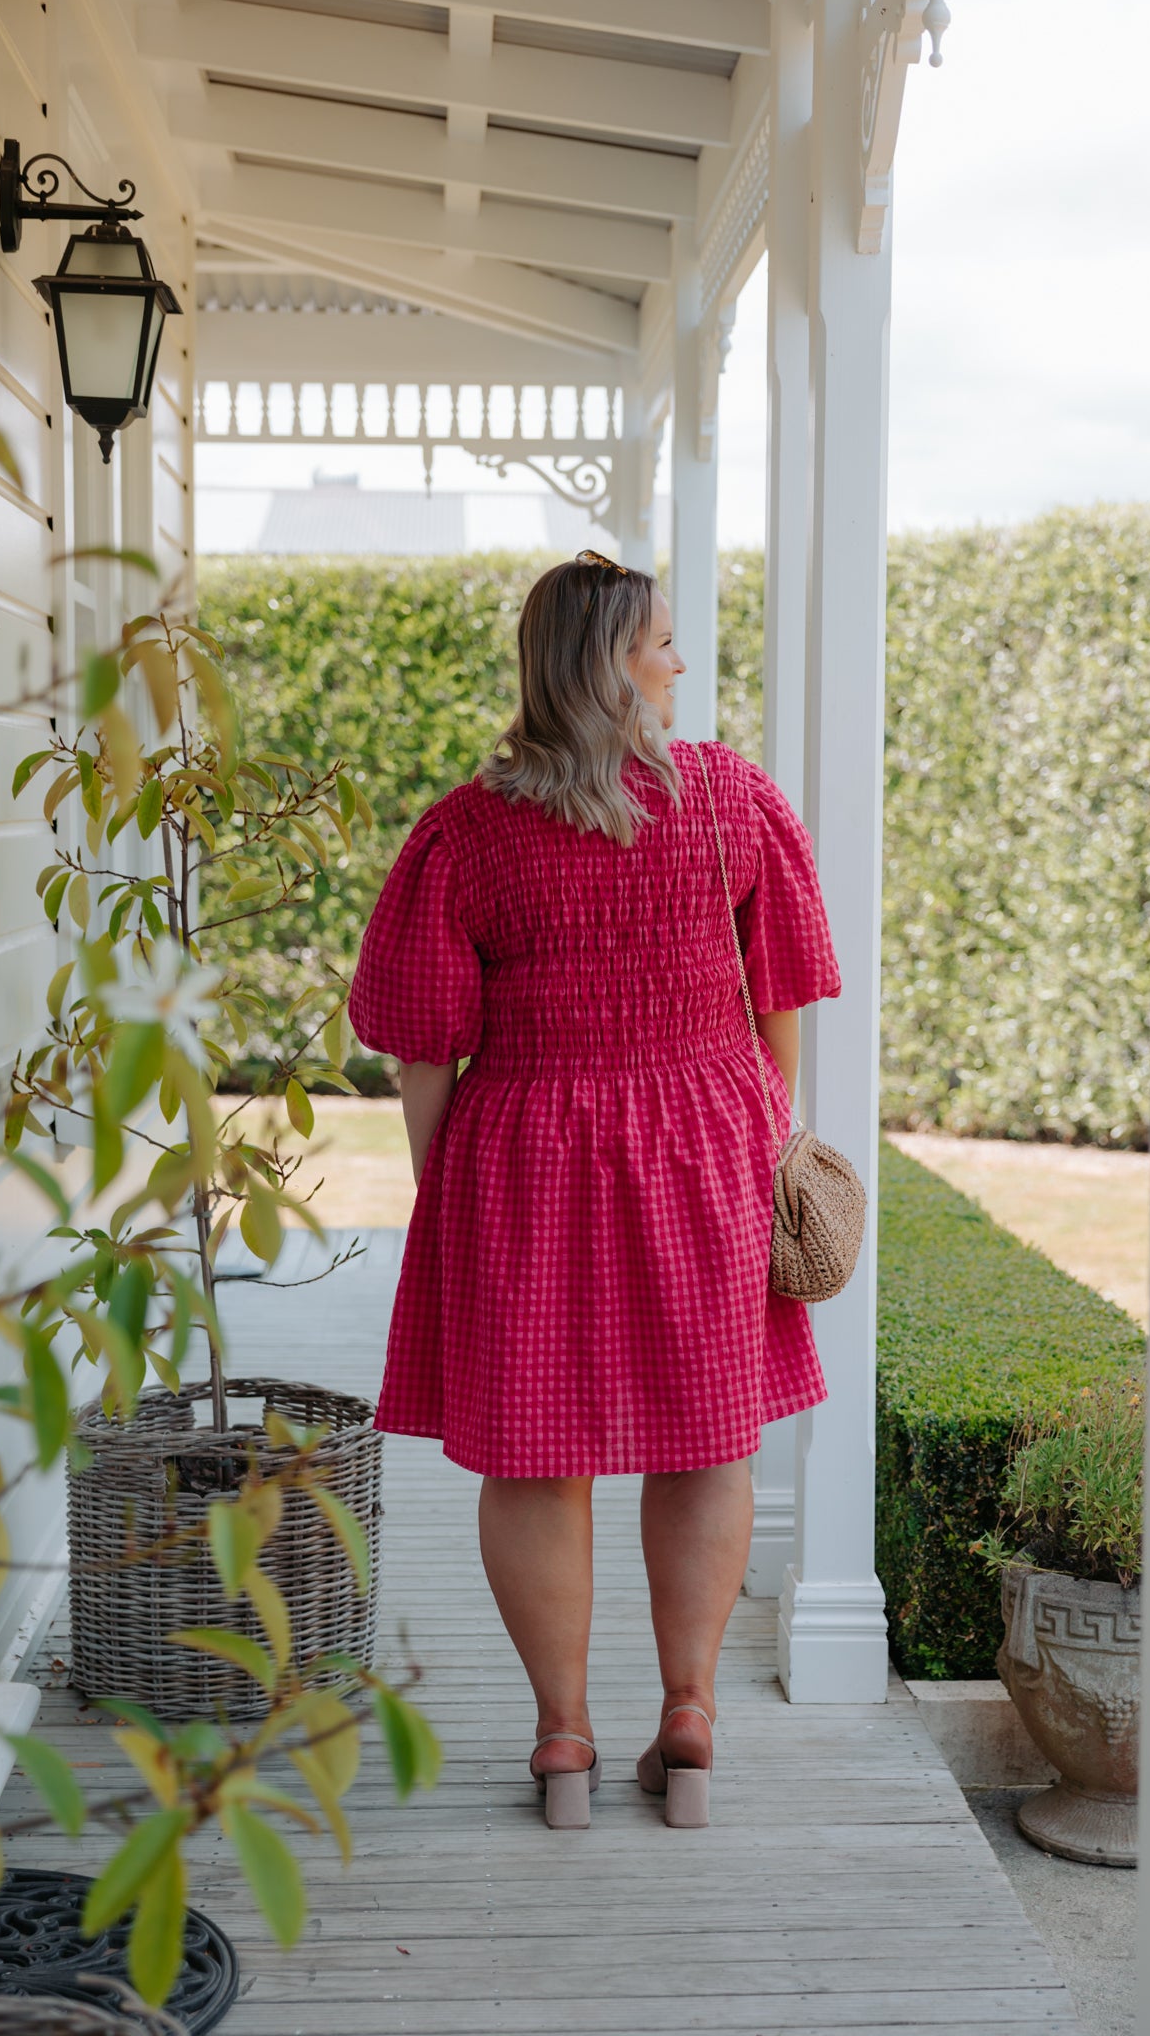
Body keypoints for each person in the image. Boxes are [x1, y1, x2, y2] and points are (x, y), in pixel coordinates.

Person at [347, 550, 842, 1830]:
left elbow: (421, 1049)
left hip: (523, 1154)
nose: (679, 661)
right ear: (612, 662)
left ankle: (562, 1738)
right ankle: (691, 1716)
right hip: (705, 1143)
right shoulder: (731, 799)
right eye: (662, 641)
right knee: (707, 1436)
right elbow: (782, 993)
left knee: (535, 1452)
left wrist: (443, 1188)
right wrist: (765, 1133)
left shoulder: (464, 829)